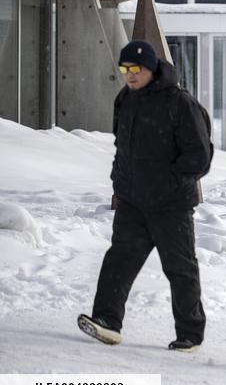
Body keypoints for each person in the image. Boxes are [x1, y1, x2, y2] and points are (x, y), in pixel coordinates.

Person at [78, 41, 213, 351]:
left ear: (151, 68)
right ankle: (107, 321)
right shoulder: (125, 100)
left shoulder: (180, 103)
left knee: (180, 268)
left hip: (172, 205)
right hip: (134, 203)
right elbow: (121, 148)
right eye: (125, 69)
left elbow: (199, 155)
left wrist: (169, 183)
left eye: (136, 69)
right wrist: (120, 181)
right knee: (119, 262)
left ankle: (190, 334)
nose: (130, 75)